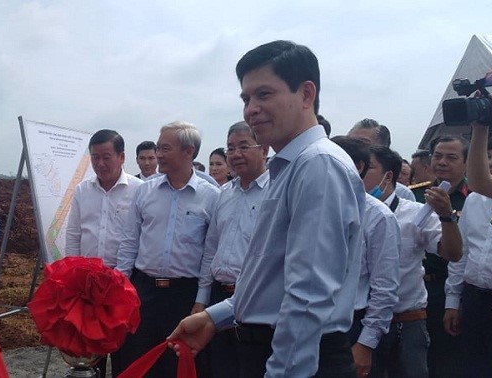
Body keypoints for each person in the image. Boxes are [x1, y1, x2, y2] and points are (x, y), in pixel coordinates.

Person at [170, 40, 365, 377]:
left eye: (264, 94)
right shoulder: (290, 167)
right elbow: (270, 275)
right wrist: (215, 317)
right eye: (246, 98)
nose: (251, 109)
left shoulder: (318, 165)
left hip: (300, 360)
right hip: (272, 349)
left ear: (306, 94)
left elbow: (308, 295)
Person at [116, 121, 220, 377]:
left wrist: (201, 300)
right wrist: (120, 286)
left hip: (183, 296)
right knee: (135, 359)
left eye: (165, 148)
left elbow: (210, 252)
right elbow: (130, 242)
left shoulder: (211, 196)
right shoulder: (145, 192)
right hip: (144, 292)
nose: (158, 154)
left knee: (176, 364)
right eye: (158, 147)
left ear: (188, 151)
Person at [361, 145, 461, 377]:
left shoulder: (417, 213)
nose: (359, 174)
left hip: (406, 323)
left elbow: (453, 253)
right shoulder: (350, 211)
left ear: (388, 176)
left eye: (368, 168)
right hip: (360, 321)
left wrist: (446, 216)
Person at [65, 129, 143, 376]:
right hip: (89, 285)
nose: (100, 163)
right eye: (95, 157)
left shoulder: (140, 190)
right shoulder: (82, 191)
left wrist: (123, 275)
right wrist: (71, 276)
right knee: (90, 349)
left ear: (122, 157)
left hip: (124, 282)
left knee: (124, 349)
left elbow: (141, 238)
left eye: (106, 157)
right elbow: (74, 234)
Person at [195, 121, 268, 377]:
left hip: (255, 302)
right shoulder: (224, 194)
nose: (235, 154)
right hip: (217, 297)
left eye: (244, 146)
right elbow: (210, 249)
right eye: (230, 148)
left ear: (264, 149)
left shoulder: (277, 193)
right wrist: (201, 300)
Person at [445, 131, 492, 377]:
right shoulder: (474, 199)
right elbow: (461, 254)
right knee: (473, 366)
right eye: (488, 156)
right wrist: (453, 301)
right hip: (475, 299)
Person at [332, 136, 401, 378]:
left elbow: (385, 286)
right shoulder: (314, 207)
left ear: (357, 167)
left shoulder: (378, 216)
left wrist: (366, 343)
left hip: (352, 327)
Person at [412, 135, 470, 378]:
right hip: (417, 289)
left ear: (466, 163)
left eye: (451, 157)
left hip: (453, 289)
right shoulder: (414, 196)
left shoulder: (475, 197)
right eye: (437, 156)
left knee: (448, 360)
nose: (442, 162)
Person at [348, 118, 416, 201]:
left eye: (362, 143)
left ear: (383, 148)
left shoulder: (402, 193)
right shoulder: (338, 181)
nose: (354, 149)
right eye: (350, 142)